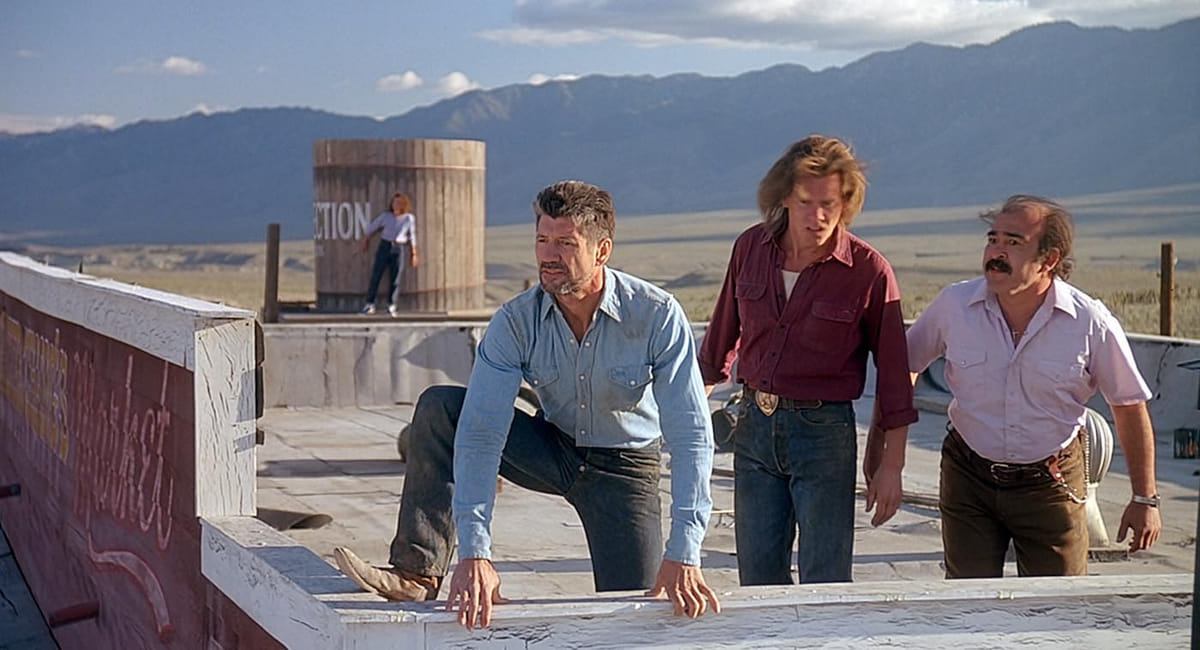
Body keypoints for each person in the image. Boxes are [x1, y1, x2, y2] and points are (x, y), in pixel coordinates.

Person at [334, 180, 721, 629]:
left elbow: (691, 435)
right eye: (542, 240)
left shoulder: (655, 314)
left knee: (637, 616)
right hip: (551, 449)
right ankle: (417, 571)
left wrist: (685, 551)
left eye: (565, 243)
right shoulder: (516, 321)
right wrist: (476, 554)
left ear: (602, 251)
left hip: (624, 470)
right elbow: (481, 432)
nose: (548, 255)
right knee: (442, 408)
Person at [903, 195, 1163, 578]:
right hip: (968, 477)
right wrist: (887, 455)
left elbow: (1128, 405)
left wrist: (1144, 498)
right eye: (993, 239)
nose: (996, 252)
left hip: (1050, 483)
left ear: (1049, 259)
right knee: (967, 599)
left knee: (1057, 603)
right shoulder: (954, 306)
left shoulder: (1089, 322)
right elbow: (903, 367)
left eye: (1013, 242)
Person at [698, 135, 917, 586]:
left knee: (826, 577)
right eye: (805, 202)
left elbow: (896, 378)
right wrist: (691, 430)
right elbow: (718, 346)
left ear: (846, 204)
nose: (817, 216)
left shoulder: (868, 271)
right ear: (783, 197)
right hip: (754, 427)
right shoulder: (750, 249)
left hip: (823, 435)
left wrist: (891, 466)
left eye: (829, 204)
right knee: (757, 576)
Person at [360, 191, 420, 317]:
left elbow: (412, 236)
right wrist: (365, 240)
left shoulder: (408, 218)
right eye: (394, 202)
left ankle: (391, 304)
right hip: (385, 245)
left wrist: (414, 253)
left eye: (398, 203)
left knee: (395, 278)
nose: (395, 205)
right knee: (377, 274)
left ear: (403, 204)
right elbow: (372, 228)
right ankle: (370, 304)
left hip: (398, 247)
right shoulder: (386, 216)